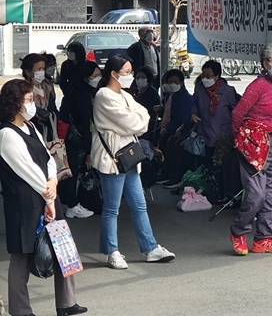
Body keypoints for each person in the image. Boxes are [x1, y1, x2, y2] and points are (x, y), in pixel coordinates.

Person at [0, 79, 87, 316]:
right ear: (14, 103)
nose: (32, 104)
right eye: (28, 100)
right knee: (22, 254)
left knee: (63, 247)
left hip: (47, 194)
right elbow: (26, 169)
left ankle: (67, 303)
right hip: (24, 202)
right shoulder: (7, 134)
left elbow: (48, 160)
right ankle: (20, 310)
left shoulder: (31, 127)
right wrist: (48, 193)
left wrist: (52, 182)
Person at [91, 55, 175, 269]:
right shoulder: (104, 95)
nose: (130, 76)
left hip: (127, 156)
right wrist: (135, 121)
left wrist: (135, 121)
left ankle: (150, 247)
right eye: (127, 72)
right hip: (113, 158)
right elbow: (133, 123)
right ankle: (112, 251)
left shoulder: (124, 95)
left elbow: (142, 118)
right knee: (112, 208)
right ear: (114, 73)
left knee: (139, 204)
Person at [230, 43, 272, 256]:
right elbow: (238, 114)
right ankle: (239, 231)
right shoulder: (258, 86)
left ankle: (265, 238)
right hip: (254, 144)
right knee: (256, 194)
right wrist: (241, 138)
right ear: (265, 63)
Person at [58, 62, 102, 219]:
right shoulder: (83, 95)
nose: (98, 78)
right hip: (77, 139)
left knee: (70, 170)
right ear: (85, 77)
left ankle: (69, 202)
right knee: (74, 171)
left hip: (69, 136)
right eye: (95, 75)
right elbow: (86, 124)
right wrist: (89, 150)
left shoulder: (74, 90)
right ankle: (72, 205)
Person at [191, 60, 240, 201]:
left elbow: (236, 111)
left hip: (223, 135)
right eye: (203, 75)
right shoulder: (200, 88)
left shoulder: (227, 91)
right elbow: (194, 104)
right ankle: (210, 192)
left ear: (217, 76)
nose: (205, 78)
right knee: (207, 164)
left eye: (209, 75)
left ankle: (223, 194)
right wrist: (193, 114)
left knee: (221, 166)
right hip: (205, 132)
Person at [158, 69, 194, 189]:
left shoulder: (184, 98)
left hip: (181, 130)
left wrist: (169, 130)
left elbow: (182, 118)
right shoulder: (170, 96)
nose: (172, 84)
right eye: (170, 82)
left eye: (175, 81)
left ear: (181, 82)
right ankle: (166, 174)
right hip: (171, 128)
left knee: (173, 145)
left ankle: (175, 177)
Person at [20, 53, 59, 142]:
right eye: (39, 69)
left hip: (49, 132)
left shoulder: (48, 86)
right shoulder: (23, 89)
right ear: (28, 72)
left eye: (43, 69)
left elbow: (52, 107)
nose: (42, 72)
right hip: (31, 133)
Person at [132, 67, 161, 142]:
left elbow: (154, 108)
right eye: (137, 77)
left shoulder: (152, 92)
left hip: (148, 125)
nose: (139, 80)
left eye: (143, 77)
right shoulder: (135, 91)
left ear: (148, 79)